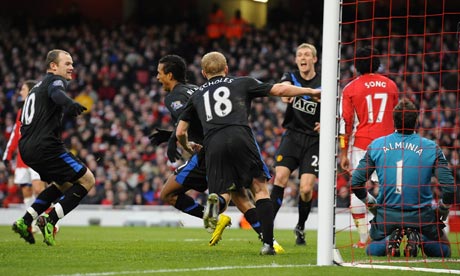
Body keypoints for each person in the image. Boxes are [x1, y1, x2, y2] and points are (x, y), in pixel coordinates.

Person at [176, 51, 320, 255]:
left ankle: (216, 202)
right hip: (240, 135)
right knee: (259, 189)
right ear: (226, 69)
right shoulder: (241, 82)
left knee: (227, 192)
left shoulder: (197, 94)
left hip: (213, 144)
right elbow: (279, 90)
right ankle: (268, 245)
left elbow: (180, 131)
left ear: (203, 72)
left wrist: (186, 145)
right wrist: (310, 92)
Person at [151, 55, 282, 251]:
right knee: (241, 196)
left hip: (209, 149)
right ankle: (269, 240)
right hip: (230, 141)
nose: (157, 77)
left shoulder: (173, 96)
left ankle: (210, 214)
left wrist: (173, 139)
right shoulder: (197, 88)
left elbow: (185, 124)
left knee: (168, 193)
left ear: (169, 75)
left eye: (159, 73)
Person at [351, 98, 455, 257]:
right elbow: (449, 188)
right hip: (422, 215)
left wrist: (372, 204)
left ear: (394, 121)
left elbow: (356, 182)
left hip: (388, 214)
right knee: (445, 250)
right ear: (416, 121)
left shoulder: (377, 145)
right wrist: (442, 209)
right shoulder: (431, 147)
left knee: (370, 249)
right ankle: (419, 237)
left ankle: (390, 240)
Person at [12, 49, 94, 246]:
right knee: (87, 180)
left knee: (63, 184)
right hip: (46, 147)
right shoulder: (55, 81)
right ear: (53, 66)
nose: (72, 67)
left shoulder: (35, 88)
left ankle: (25, 221)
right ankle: (50, 220)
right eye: (67, 63)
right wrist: (70, 103)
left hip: (27, 149)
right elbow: (57, 93)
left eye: (72, 63)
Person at [339, 46, 399, 248]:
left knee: (358, 189)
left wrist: (343, 152)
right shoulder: (391, 85)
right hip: (390, 145)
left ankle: (364, 239)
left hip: (362, 145)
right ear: (377, 63)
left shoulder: (350, 88)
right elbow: (398, 117)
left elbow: (345, 123)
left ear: (357, 65)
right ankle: (391, 230)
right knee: (389, 190)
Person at [269, 43, 321, 246]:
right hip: (292, 135)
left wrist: (327, 120)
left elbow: (335, 103)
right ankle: (267, 229)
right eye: (300, 54)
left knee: (306, 189)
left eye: (307, 54)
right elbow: (282, 91)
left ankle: (300, 225)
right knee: (280, 177)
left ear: (314, 59)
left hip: (314, 140)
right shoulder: (290, 76)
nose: (303, 57)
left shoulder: (324, 78)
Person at [3, 80, 47, 214]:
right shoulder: (21, 111)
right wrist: (8, 154)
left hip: (37, 157)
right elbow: (16, 134)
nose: (21, 92)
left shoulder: (42, 109)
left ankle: (50, 220)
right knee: (27, 191)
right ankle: (32, 222)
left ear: (31, 91)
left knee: (39, 189)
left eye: (23, 89)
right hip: (22, 158)